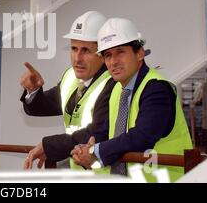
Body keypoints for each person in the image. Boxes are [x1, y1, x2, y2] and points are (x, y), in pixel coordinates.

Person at [71, 18, 192, 182]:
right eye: (107, 55)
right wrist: (84, 149)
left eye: (120, 52)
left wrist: (96, 152)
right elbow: (105, 132)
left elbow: (142, 136)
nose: (113, 62)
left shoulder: (157, 89)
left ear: (140, 53)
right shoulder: (116, 90)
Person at [20, 11, 116, 169]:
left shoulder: (114, 83)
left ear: (104, 53)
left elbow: (97, 132)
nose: (77, 58)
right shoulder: (71, 77)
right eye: (74, 49)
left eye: (85, 50)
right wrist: (34, 90)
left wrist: (49, 146)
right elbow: (42, 106)